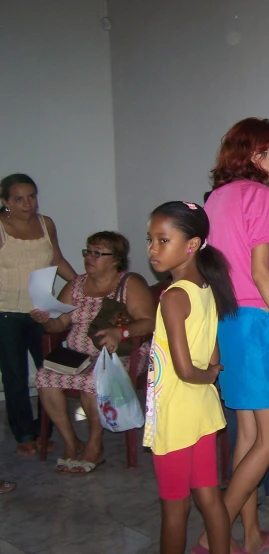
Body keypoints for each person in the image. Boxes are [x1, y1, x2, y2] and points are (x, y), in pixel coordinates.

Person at [202, 117, 269, 554]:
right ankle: (213, 534)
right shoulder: (259, 195)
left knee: (246, 435)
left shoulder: (216, 198)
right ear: (257, 158)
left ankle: (252, 533)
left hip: (227, 321)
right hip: (259, 323)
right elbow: (262, 272)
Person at [144, 201, 237, 554]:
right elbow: (211, 354)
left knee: (174, 508)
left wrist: (209, 373)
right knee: (209, 499)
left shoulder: (173, 297)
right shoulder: (206, 288)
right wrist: (211, 373)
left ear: (192, 244)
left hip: (177, 412)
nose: (153, 249)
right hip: (201, 409)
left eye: (162, 240)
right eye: (150, 240)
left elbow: (184, 369)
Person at [31, 231, 154, 473]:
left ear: (115, 259)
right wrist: (46, 319)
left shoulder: (129, 284)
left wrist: (121, 333)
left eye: (98, 253)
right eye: (88, 251)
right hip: (78, 357)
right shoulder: (76, 285)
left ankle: (94, 445)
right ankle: (71, 442)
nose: (90, 257)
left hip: (119, 357)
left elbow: (149, 322)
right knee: (44, 377)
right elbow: (59, 324)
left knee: (91, 380)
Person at [0, 173, 77, 456]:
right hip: (6, 314)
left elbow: (56, 258)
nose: (27, 204)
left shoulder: (46, 224)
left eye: (31, 196)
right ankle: (24, 434)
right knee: (15, 377)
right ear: (5, 200)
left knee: (51, 372)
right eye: (18, 198)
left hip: (43, 312)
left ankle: (45, 430)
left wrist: (81, 284)